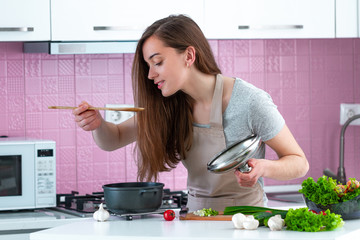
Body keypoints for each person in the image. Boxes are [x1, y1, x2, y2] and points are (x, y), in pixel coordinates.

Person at [73, 14, 309, 212]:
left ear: (189, 56)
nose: (150, 75)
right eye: (148, 66)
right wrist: (98, 124)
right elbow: (113, 139)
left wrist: (264, 168)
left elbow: (299, 163)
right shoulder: (168, 104)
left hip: (246, 221)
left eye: (157, 62)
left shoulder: (250, 101)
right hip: (197, 219)